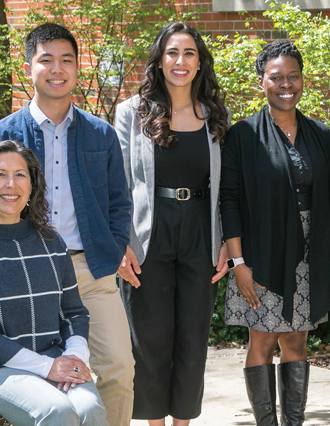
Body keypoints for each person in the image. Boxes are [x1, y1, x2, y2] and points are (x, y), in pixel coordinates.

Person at [0, 23, 135, 426]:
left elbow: (119, 201)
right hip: (27, 271)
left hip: (90, 270)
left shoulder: (100, 133)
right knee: (42, 376)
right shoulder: (1, 135)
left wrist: (115, 245)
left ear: (78, 68)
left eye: (67, 60)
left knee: (118, 367)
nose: (57, 69)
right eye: (46, 59)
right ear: (28, 67)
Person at [113, 22, 230, 426]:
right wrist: (122, 242)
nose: (180, 61)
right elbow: (120, 183)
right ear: (160, 61)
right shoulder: (132, 111)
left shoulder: (216, 113)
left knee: (193, 338)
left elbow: (224, 186)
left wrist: (226, 243)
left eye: (189, 53)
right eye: (172, 53)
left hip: (201, 231)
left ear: (199, 63)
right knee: (149, 338)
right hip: (150, 233)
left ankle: (183, 422)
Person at [0, 140, 107, 426]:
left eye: (20, 175)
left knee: (90, 409)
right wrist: (47, 367)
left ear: (32, 186)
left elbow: (74, 313)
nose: (11, 184)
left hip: (52, 359)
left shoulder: (52, 243)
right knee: (56, 411)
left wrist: (74, 359)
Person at [220, 39, 330, 426]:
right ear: (261, 82)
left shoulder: (319, 134)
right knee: (264, 339)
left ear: (302, 80)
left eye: (293, 77)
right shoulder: (243, 135)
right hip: (261, 251)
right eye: (276, 78)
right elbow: (230, 199)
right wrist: (238, 262)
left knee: (297, 339)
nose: (286, 85)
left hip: (309, 249)